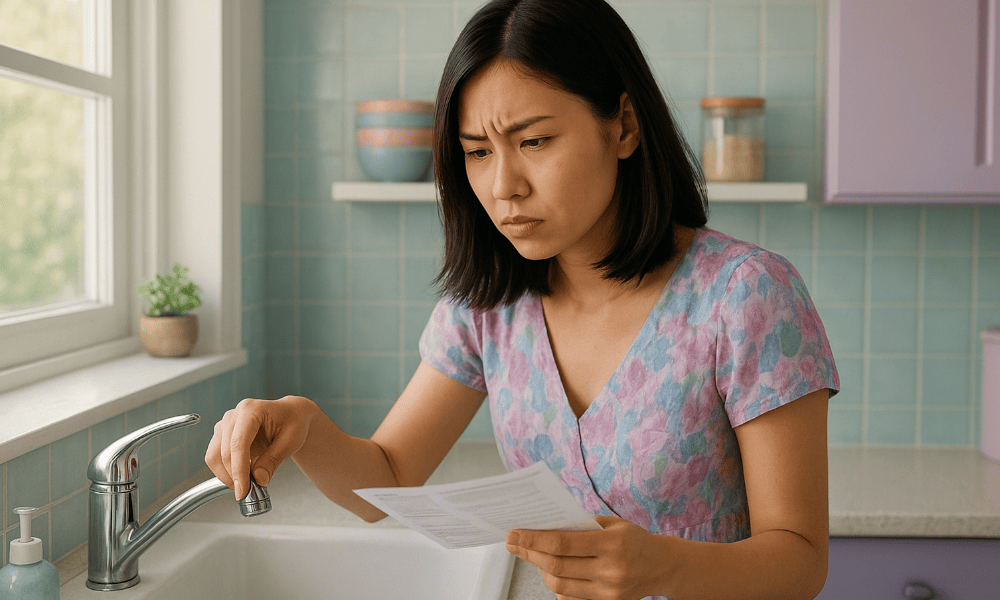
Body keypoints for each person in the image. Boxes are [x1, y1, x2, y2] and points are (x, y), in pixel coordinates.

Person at [205, 0, 839, 598]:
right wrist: (305, 425)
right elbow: (387, 479)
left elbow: (801, 559)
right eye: (478, 152)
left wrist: (663, 564)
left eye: (533, 142)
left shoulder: (746, 295)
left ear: (622, 126)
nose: (504, 186)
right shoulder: (488, 307)